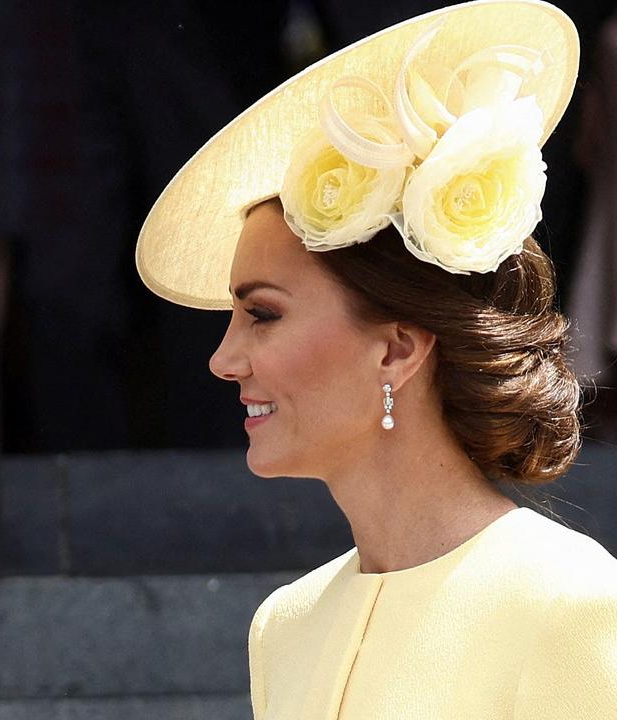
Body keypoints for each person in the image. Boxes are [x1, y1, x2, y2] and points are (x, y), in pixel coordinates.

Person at [135, 1, 617, 717]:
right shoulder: (283, 626)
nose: (224, 359)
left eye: (261, 315)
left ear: (396, 349)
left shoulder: (569, 601)